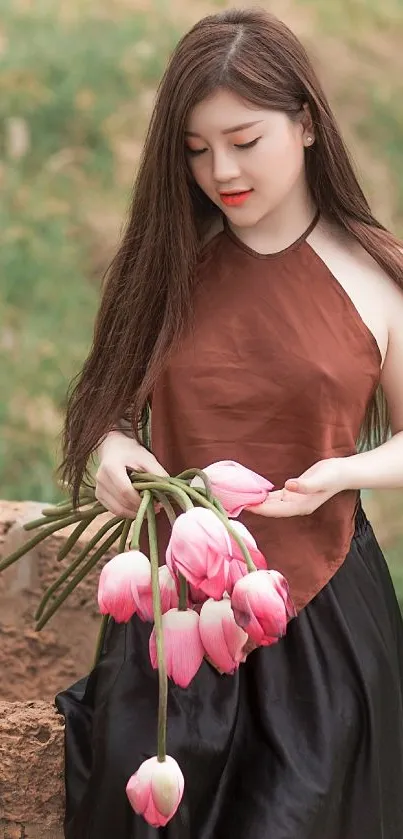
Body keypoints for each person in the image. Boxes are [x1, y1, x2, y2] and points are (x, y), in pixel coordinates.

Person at [55, 7, 403, 838]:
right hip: (171, 617)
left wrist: (341, 472)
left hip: (319, 614)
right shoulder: (163, 269)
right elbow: (103, 415)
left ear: (307, 124)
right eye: (196, 148)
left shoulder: (375, 275)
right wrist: (110, 449)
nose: (221, 170)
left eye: (245, 141)